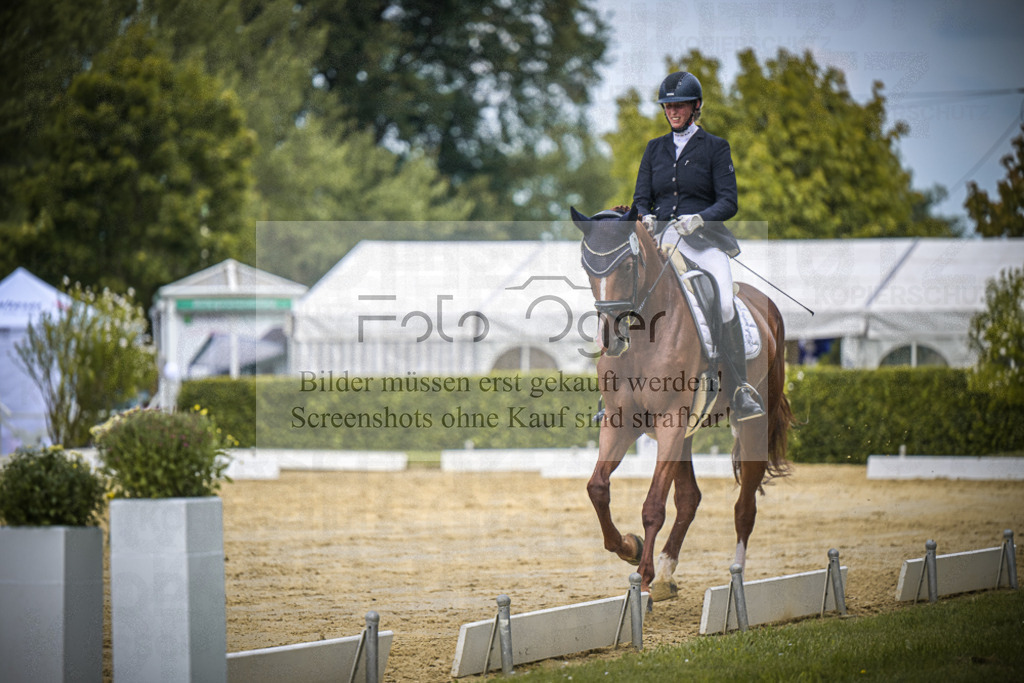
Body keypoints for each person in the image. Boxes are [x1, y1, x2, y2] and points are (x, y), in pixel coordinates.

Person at [632, 70, 764, 421]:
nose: (673, 111)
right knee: (630, 297)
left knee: (722, 301)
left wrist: (700, 218)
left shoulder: (715, 148)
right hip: (661, 244)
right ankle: (618, 390)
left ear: (696, 107)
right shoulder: (654, 149)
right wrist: (644, 216)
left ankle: (738, 388)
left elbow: (729, 201)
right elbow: (640, 198)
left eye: (680, 106)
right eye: (668, 106)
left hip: (703, 243)